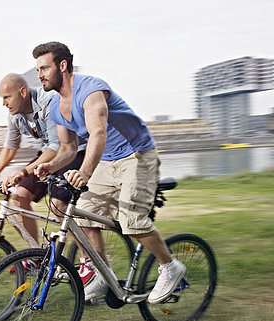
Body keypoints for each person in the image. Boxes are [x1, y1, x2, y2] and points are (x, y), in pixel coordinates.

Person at [32, 41, 185, 304]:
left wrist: (85, 172)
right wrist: (51, 165)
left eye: (44, 68)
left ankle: (170, 266)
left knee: (132, 221)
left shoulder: (91, 90)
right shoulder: (57, 107)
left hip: (137, 155)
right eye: (38, 70)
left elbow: (97, 133)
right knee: (84, 217)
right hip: (108, 161)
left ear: (63, 66)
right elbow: (68, 147)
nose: (40, 75)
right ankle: (103, 274)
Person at [0, 73, 85, 245]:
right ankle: (34, 255)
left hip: (73, 151)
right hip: (47, 153)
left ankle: (87, 260)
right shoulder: (14, 114)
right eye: (2, 98)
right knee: (19, 197)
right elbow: (11, 146)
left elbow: (57, 147)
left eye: (7, 97)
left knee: (58, 205)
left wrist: (22, 172)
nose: (3, 103)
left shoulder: (50, 102)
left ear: (22, 92)